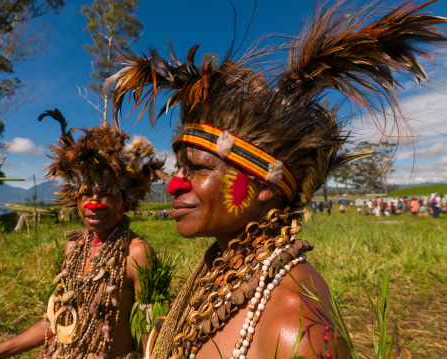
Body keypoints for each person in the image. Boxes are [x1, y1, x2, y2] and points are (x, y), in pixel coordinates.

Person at [105, 1, 446, 358]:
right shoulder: (222, 269)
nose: (175, 185)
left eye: (200, 169)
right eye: (180, 170)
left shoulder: (295, 328)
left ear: (265, 185)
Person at [0, 111, 166, 359]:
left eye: (106, 194)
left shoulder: (137, 253)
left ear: (124, 202)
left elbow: (151, 334)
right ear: (75, 199)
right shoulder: (73, 247)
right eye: (86, 194)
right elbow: (55, 323)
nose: (94, 204)